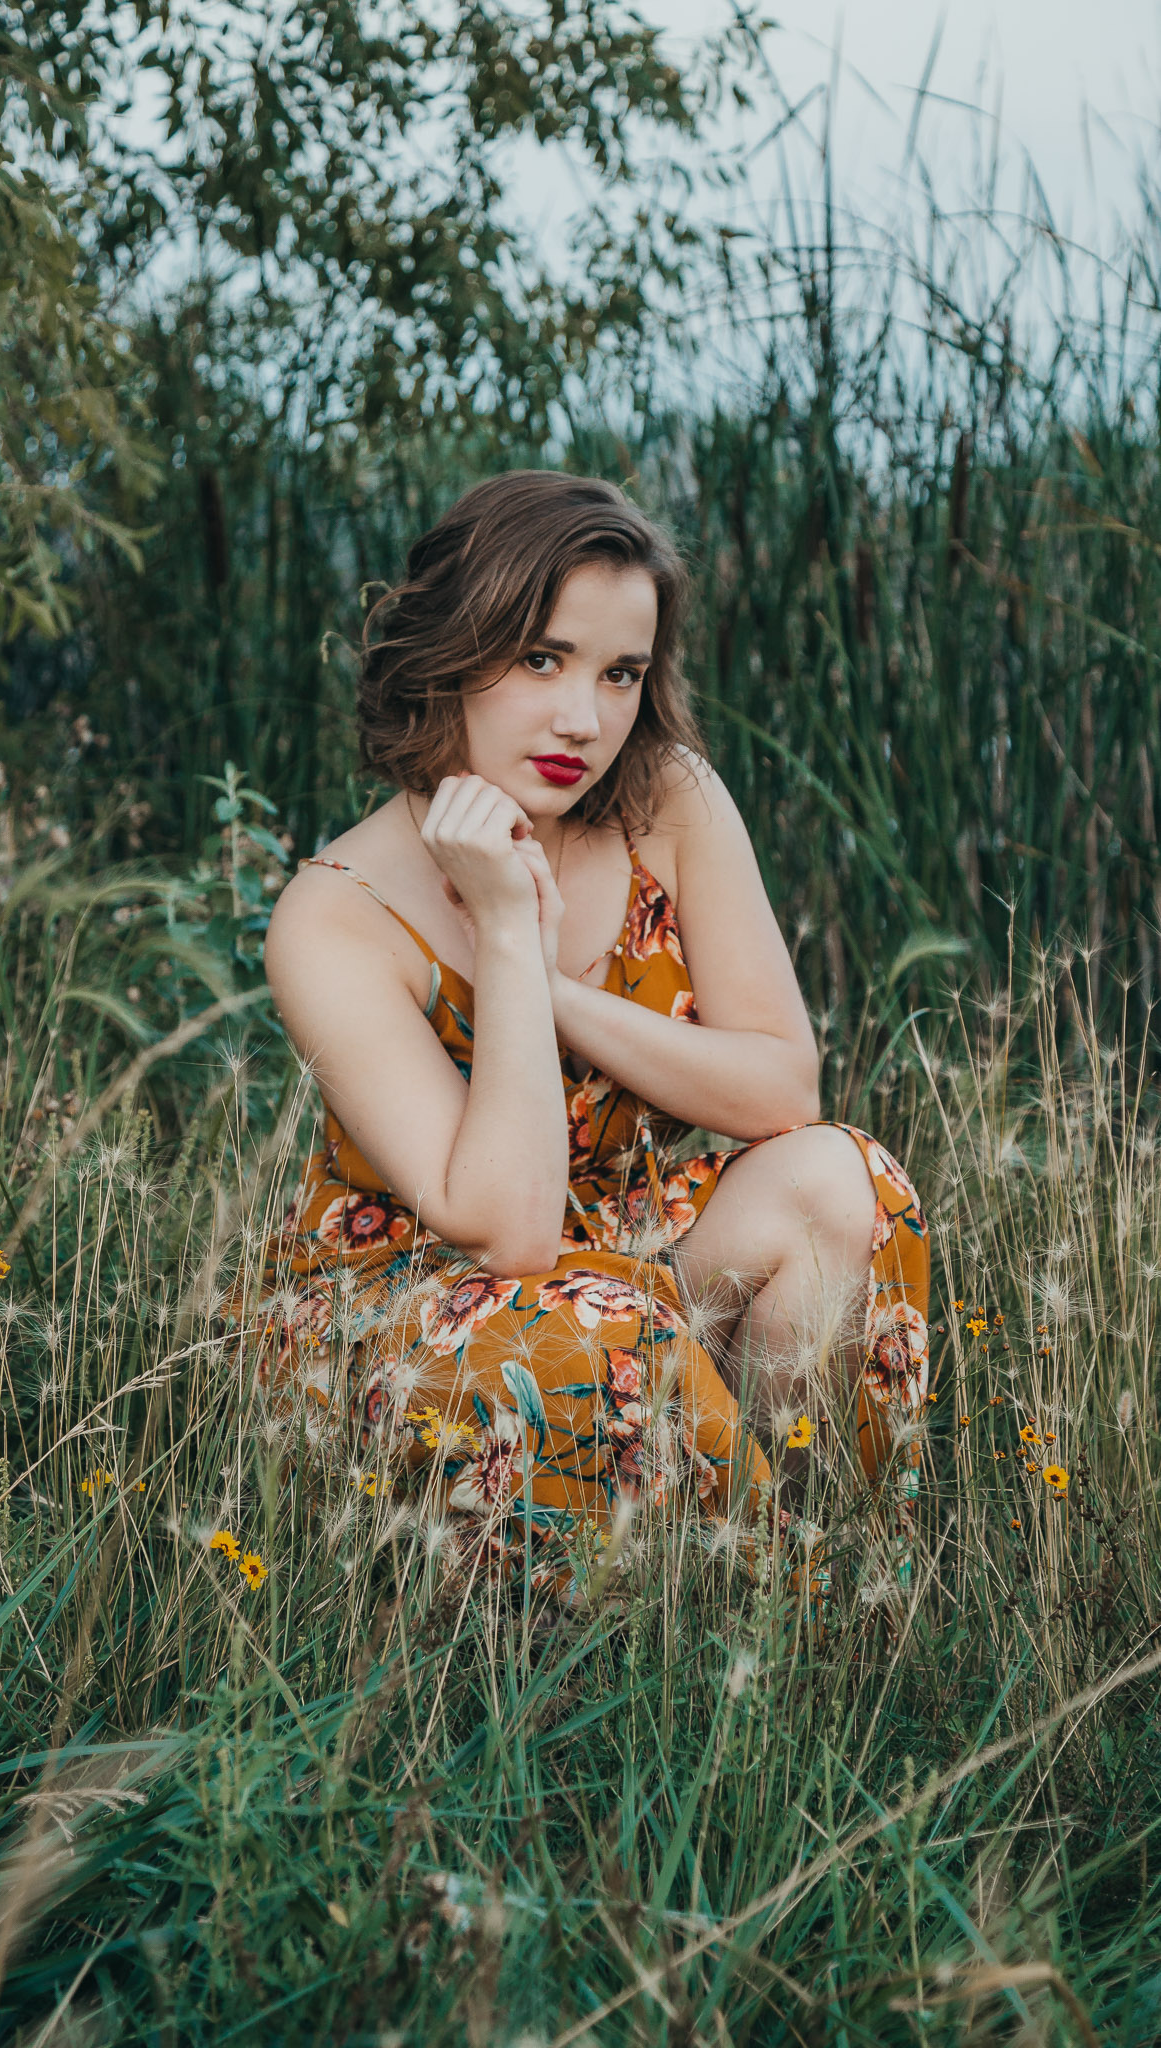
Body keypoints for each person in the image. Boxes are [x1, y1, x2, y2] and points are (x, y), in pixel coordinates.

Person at [231, 470, 929, 1597]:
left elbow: (782, 1087)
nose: (583, 720)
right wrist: (506, 928)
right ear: (450, 652)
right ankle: (770, 1609)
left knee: (848, 1180)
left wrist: (555, 992)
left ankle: (822, 1544)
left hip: (637, 1261)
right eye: (541, 659)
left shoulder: (672, 801)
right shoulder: (338, 912)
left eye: (621, 674)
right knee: (597, 1330)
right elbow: (505, 1231)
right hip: (427, 1304)